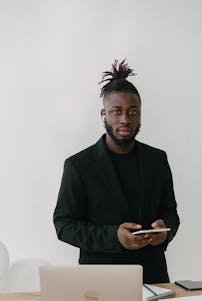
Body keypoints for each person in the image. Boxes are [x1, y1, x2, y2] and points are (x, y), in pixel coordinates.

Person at [53, 59, 180, 283]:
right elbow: (64, 225)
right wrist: (114, 237)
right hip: (101, 279)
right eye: (116, 111)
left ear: (140, 113)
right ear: (104, 114)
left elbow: (170, 212)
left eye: (132, 112)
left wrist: (164, 232)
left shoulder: (157, 159)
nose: (125, 119)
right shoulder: (78, 165)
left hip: (153, 275)